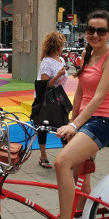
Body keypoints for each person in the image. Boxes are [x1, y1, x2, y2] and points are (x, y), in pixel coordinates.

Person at [35, 10, 109, 219]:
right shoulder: (87, 54)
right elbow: (82, 93)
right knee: (80, 177)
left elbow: (99, 98)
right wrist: (74, 122)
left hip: (102, 122)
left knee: (61, 163)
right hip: (85, 121)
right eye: (91, 30)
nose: (95, 34)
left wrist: (75, 125)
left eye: (101, 31)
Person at [34, 32, 68, 169]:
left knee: (65, 127)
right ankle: (43, 156)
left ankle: (67, 157)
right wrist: (58, 76)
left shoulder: (61, 60)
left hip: (60, 98)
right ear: (56, 45)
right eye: (61, 44)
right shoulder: (47, 62)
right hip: (47, 101)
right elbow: (44, 84)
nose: (63, 47)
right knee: (44, 127)